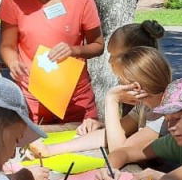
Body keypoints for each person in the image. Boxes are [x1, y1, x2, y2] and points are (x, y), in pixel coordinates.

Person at [0, 0, 105, 124]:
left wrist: (74, 50)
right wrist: (13, 63)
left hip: (76, 101)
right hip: (30, 100)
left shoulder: (82, 0)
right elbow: (7, 45)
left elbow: (98, 45)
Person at [29, 46, 172, 159]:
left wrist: (112, 99)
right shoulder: (145, 104)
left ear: (135, 87)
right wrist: (50, 150)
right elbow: (109, 134)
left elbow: (118, 150)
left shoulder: (164, 115)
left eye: (121, 81)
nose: (119, 85)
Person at [74, 20, 166, 136]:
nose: (109, 61)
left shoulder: (153, 104)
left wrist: (112, 99)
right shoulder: (139, 100)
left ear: (133, 58)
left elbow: (121, 149)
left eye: (114, 55)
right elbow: (126, 130)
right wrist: (103, 127)